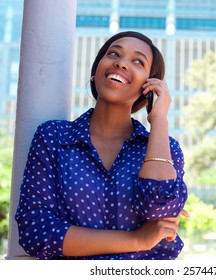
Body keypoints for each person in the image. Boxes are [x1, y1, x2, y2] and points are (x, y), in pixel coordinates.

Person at [15, 31, 189, 260]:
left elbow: (159, 207)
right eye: (114, 54)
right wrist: (138, 239)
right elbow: (36, 232)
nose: (121, 62)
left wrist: (159, 119)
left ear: (149, 86)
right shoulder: (53, 137)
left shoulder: (165, 147)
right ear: (96, 70)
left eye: (138, 61)